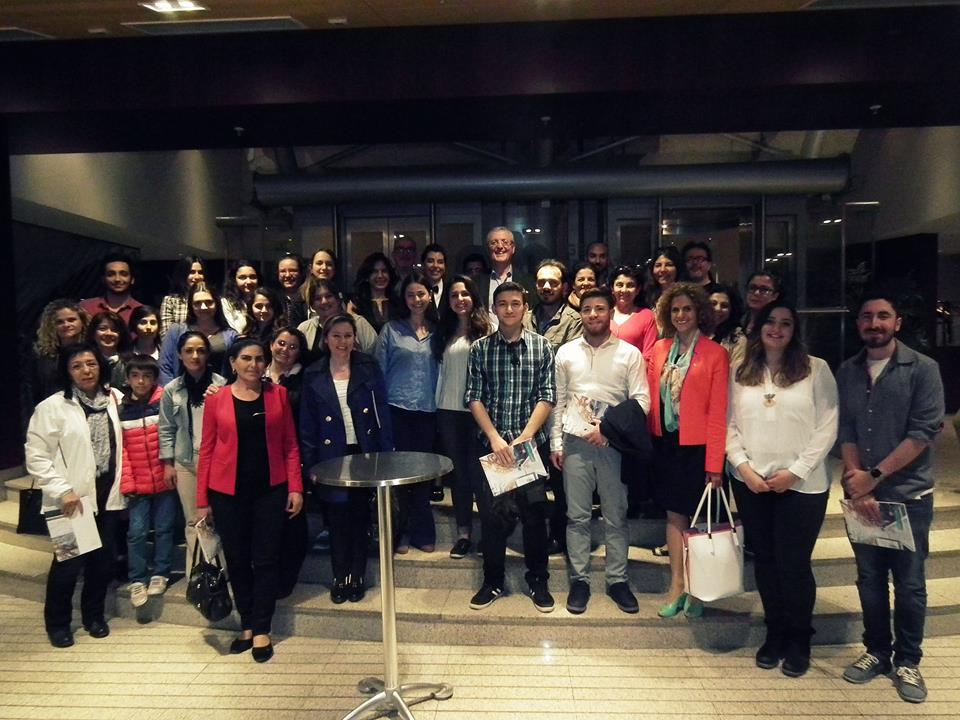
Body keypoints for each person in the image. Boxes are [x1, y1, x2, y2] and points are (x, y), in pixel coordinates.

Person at [837, 293, 945, 704]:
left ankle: (908, 661)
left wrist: (874, 478)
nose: (874, 323)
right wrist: (856, 482)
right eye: (867, 316)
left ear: (897, 323)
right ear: (859, 324)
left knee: (910, 583)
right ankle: (877, 652)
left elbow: (922, 433)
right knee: (869, 579)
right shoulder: (848, 371)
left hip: (908, 496)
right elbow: (846, 429)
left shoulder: (923, 369)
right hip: (861, 495)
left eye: (883, 316)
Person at [727, 302, 838, 676]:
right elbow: (727, 425)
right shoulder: (741, 371)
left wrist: (796, 472)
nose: (777, 329)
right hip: (752, 483)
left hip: (803, 486)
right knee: (766, 561)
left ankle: (799, 638)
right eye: (770, 322)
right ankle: (774, 632)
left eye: (785, 323)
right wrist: (743, 468)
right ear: (759, 328)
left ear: (794, 330)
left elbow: (827, 426)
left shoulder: (815, 369)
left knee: (794, 564)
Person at [196, 339, 303, 663]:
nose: (253, 365)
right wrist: (202, 499)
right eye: (246, 358)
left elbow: (290, 445)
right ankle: (246, 624)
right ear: (233, 363)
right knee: (237, 560)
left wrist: (295, 488)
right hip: (227, 493)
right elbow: (207, 450)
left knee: (266, 559)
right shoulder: (217, 399)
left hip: (270, 490)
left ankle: (261, 629)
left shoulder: (278, 395)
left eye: (259, 359)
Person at [551, 287, 649, 615]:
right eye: (587, 309)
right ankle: (579, 580)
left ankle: (617, 580)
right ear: (581, 314)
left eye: (599, 308)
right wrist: (556, 443)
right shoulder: (566, 352)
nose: (593, 314)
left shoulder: (629, 354)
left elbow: (642, 402)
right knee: (577, 516)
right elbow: (558, 400)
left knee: (615, 516)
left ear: (610, 312)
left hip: (613, 445)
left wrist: (607, 430)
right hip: (575, 443)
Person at [24, 342, 126, 648]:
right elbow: (36, 456)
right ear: (67, 372)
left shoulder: (114, 398)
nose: (86, 371)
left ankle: (94, 617)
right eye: (77, 366)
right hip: (73, 500)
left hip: (107, 495)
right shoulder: (53, 407)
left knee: (101, 563)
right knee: (68, 565)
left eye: (91, 364)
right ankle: (57, 624)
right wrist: (62, 490)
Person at [465, 281, 556, 612]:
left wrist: (526, 436)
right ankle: (492, 581)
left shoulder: (543, 346)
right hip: (495, 447)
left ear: (525, 307)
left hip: (529, 446)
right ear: (494, 309)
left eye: (515, 303)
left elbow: (548, 394)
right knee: (493, 519)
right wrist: (494, 437)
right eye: (502, 304)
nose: (509, 309)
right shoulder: (480, 349)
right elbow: (473, 397)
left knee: (534, 517)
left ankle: (538, 580)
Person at [647, 282, 728, 619]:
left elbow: (719, 413)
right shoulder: (659, 349)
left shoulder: (715, 353)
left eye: (687, 309)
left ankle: (698, 589)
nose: (681, 315)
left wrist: (715, 464)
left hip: (698, 448)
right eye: (675, 310)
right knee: (674, 517)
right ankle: (677, 585)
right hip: (666, 444)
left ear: (699, 313)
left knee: (697, 521)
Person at [301, 314, 394, 603]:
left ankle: (358, 575)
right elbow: (307, 424)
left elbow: (382, 413)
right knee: (337, 519)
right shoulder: (313, 373)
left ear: (355, 338)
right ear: (326, 339)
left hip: (363, 452)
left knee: (360, 517)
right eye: (336, 336)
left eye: (348, 336)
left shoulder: (368, 366)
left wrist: (385, 454)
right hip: (331, 456)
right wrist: (311, 464)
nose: (343, 342)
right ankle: (340, 575)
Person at [374, 271, 440, 553]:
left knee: (423, 473)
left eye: (421, 294)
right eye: (411, 295)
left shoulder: (439, 331)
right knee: (400, 474)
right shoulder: (391, 330)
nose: (416, 299)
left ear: (430, 296)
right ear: (404, 298)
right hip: (396, 410)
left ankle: (423, 531)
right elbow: (377, 372)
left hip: (428, 411)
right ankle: (401, 532)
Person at [158, 331, 227, 579]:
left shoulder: (223, 385)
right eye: (189, 351)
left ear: (208, 354)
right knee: (192, 519)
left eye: (200, 350)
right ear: (179, 354)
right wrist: (168, 463)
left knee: (217, 517)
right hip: (185, 461)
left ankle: (220, 572)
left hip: (217, 461)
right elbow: (166, 428)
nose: (195, 356)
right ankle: (196, 575)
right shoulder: (171, 390)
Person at [432, 274, 491, 558]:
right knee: (459, 475)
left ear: (474, 296)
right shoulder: (443, 331)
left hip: (480, 413)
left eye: (465, 293)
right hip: (448, 412)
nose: (460, 299)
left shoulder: (488, 329)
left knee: (482, 474)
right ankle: (464, 533)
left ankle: (489, 535)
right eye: (454, 295)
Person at [118, 354, 177, 608]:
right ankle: (137, 578)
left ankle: (161, 572)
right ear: (127, 379)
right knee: (137, 532)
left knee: (164, 529)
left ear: (154, 379)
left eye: (146, 376)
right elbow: (122, 452)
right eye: (135, 376)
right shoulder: (122, 409)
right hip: (138, 483)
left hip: (164, 480)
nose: (141, 381)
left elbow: (172, 437)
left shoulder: (164, 401)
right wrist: (128, 482)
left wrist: (170, 468)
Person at [265, 326, 309, 599]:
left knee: (293, 521)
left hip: (294, 454)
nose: (285, 350)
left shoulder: (305, 378)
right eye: (281, 343)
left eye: (293, 347)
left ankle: (286, 577)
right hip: (261, 458)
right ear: (271, 344)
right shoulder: (253, 374)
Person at [158, 282, 238, 385]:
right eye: (197, 303)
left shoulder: (230, 335)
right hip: (181, 392)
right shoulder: (176, 331)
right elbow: (164, 367)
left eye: (209, 302)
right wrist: (173, 392)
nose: (203, 307)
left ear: (217, 303)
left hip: (218, 391)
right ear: (191, 306)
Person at [298, 278, 377, 362]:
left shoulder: (359, 323)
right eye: (318, 298)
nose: (324, 301)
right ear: (312, 305)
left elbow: (375, 356)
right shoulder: (305, 328)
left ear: (338, 300)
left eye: (328, 296)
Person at [32, 299, 89, 404]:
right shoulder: (43, 355)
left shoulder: (94, 350)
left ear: (82, 321)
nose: (66, 325)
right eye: (59, 322)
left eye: (71, 320)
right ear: (51, 326)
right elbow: (36, 391)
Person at [476, 227, 534, 310]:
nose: (500, 246)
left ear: (513, 248)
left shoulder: (528, 281)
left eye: (505, 242)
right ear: (488, 249)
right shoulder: (476, 282)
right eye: (494, 243)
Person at [530, 259, 582, 351]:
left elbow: (572, 357)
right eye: (541, 282)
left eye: (553, 283)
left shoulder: (573, 321)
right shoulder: (524, 319)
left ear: (564, 288)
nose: (546, 287)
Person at [79, 252, 143, 327]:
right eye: (111, 274)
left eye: (123, 274)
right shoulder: (86, 307)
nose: (117, 279)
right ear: (103, 279)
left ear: (132, 279)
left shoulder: (141, 311)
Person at [609, 264, 657, 361]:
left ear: (638, 290)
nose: (624, 290)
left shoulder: (647, 316)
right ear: (612, 288)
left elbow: (649, 355)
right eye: (619, 285)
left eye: (630, 285)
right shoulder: (603, 314)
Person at [352, 251, 398, 333]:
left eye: (384, 271)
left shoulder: (398, 303)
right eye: (375, 271)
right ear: (367, 277)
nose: (380, 276)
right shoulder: (357, 304)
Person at [86, 311, 132, 389]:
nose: (108, 333)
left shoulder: (131, 362)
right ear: (93, 332)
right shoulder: (84, 362)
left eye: (114, 330)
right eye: (102, 329)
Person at [160, 256, 206, 331]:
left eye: (200, 272)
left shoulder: (210, 300)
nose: (197, 276)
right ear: (183, 274)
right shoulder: (170, 301)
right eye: (192, 272)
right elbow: (166, 332)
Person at [707, 284, 746, 363]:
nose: (718, 309)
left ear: (732, 310)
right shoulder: (695, 331)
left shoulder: (737, 339)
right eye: (713, 303)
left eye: (724, 306)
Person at [221, 260, 259, 334]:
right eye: (242, 277)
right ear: (234, 280)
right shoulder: (227, 303)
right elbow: (236, 331)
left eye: (252, 277)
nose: (248, 282)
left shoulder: (264, 301)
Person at [743, 270, 783, 335]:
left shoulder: (777, 325)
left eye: (764, 289)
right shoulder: (738, 320)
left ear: (775, 296)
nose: (756, 293)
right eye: (752, 288)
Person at [645, 245, 681, 314]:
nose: (663, 270)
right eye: (658, 265)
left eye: (669, 265)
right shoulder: (646, 296)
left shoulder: (686, 296)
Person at [276, 253, 307, 328]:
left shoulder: (309, 298)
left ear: (301, 273)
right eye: (283, 271)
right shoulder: (274, 299)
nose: (287, 275)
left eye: (293, 270)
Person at [421, 243, 448, 308]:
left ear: (445, 266)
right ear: (423, 265)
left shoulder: (451, 290)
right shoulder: (416, 290)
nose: (435, 265)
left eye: (440, 262)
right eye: (430, 261)